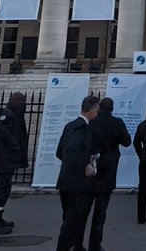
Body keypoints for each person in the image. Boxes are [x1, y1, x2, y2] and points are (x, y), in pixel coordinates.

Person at [56, 95, 101, 251]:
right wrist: (86, 166)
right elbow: (73, 151)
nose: (97, 114)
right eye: (97, 111)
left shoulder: (69, 126)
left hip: (64, 180)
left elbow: (60, 152)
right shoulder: (84, 129)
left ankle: (77, 247)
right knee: (71, 222)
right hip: (77, 182)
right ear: (94, 110)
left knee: (70, 219)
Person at [87, 97, 131, 251]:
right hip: (109, 168)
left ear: (99, 108)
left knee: (83, 208)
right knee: (101, 210)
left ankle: (76, 242)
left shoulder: (92, 122)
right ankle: (95, 244)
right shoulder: (116, 123)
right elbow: (127, 141)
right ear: (112, 109)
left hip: (92, 166)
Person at [0, 92, 29, 235]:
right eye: (22, 102)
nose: (24, 105)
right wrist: (16, 145)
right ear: (16, 101)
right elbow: (1, 130)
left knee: (5, 188)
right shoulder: (7, 114)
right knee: (2, 189)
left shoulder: (13, 114)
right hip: (4, 159)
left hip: (8, 159)